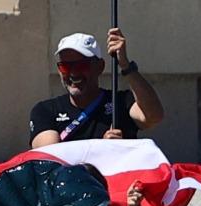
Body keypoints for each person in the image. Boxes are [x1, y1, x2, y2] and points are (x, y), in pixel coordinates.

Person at [28, 29, 165, 144]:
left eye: (82, 65)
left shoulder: (121, 102)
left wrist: (126, 65)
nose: (74, 73)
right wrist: (100, 148)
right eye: (66, 67)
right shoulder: (45, 110)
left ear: (100, 67)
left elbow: (154, 116)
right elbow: (50, 158)